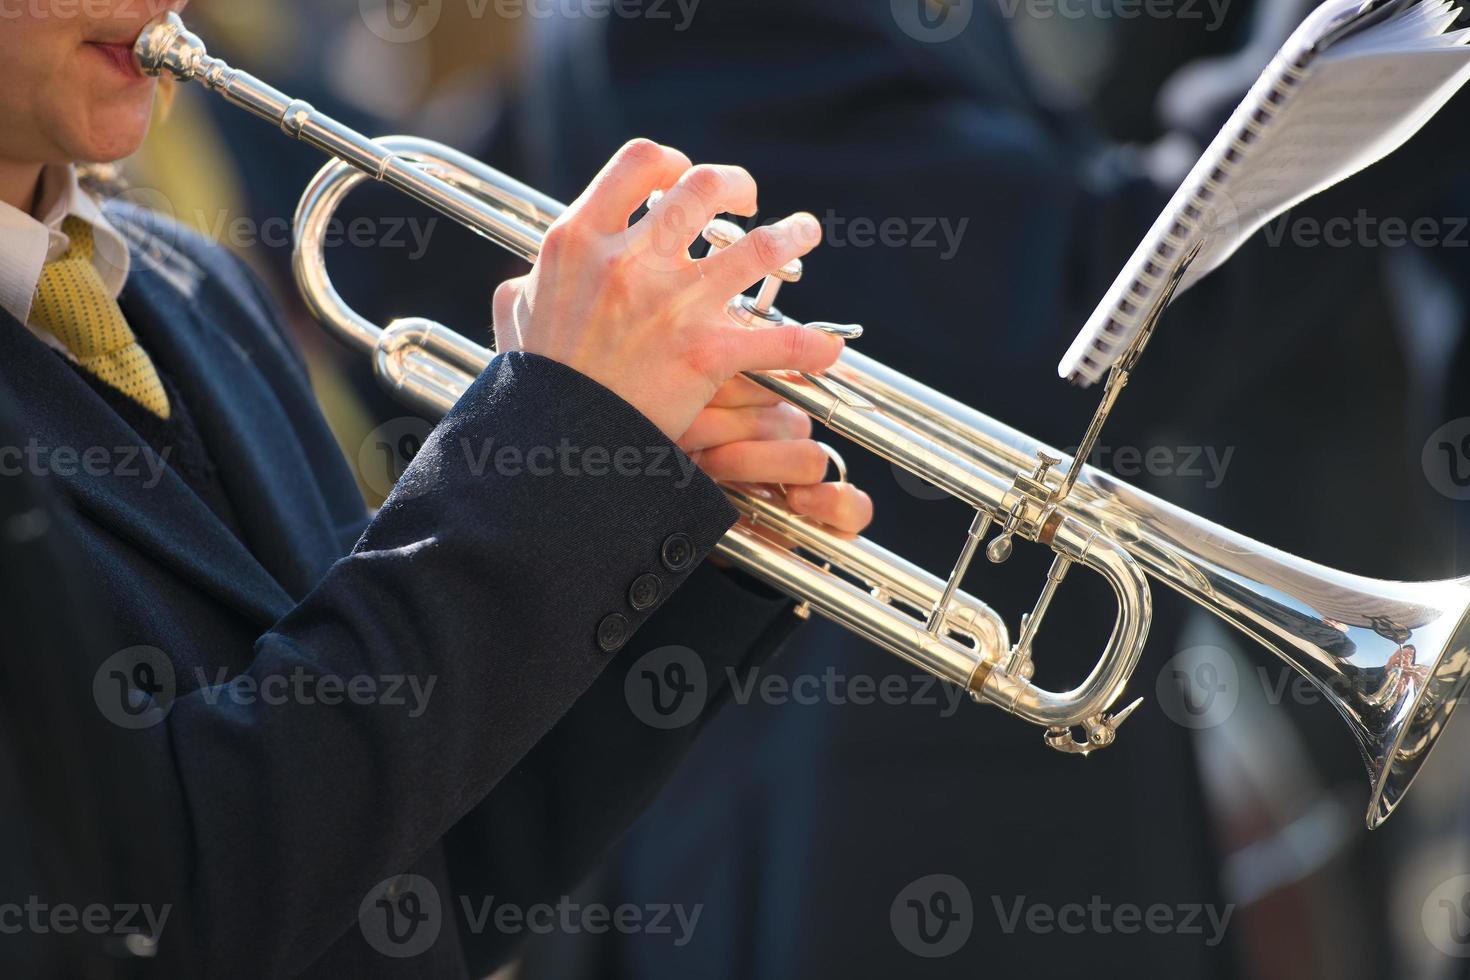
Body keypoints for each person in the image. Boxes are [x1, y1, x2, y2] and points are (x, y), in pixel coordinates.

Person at [0, 1, 873, 976]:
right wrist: (552, 437)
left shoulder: (195, 283)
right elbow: (154, 908)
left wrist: (656, 511)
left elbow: (402, 872)